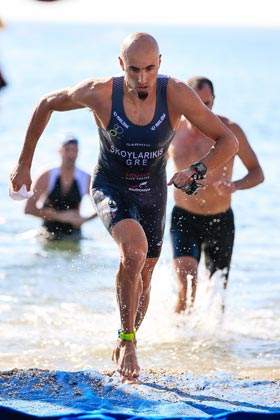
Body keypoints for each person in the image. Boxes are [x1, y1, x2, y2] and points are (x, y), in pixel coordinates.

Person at [9, 32, 239, 382]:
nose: (142, 79)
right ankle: (129, 342)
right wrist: (24, 163)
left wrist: (197, 169)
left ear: (160, 63)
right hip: (111, 186)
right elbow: (46, 103)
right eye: (133, 70)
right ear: (121, 65)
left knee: (144, 277)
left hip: (152, 194)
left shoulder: (175, 93)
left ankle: (124, 337)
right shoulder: (100, 92)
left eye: (149, 69)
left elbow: (229, 141)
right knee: (133, 252)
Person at [168, 76, 264, 314]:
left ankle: (214, 347)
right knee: (185, 286)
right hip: (184, 218)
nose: (203, 110)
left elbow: (257, 173)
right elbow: (153, 167)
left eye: (208, 104)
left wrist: (236, 186)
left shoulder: (229, 131)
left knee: (216, 293)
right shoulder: (172, 130)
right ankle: (179, 342)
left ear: (214, 101)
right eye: (197, 104)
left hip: (219, 220)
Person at [25, 135, 97, 241]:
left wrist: (85, 219)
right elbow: (29, 209)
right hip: (47, 234)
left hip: (74, 236)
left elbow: (103, 207)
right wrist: (60, 216)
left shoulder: (85, 179)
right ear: (60, 151)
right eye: (67, 150)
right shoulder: (46, 176)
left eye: (74, 150)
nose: (71, 155)